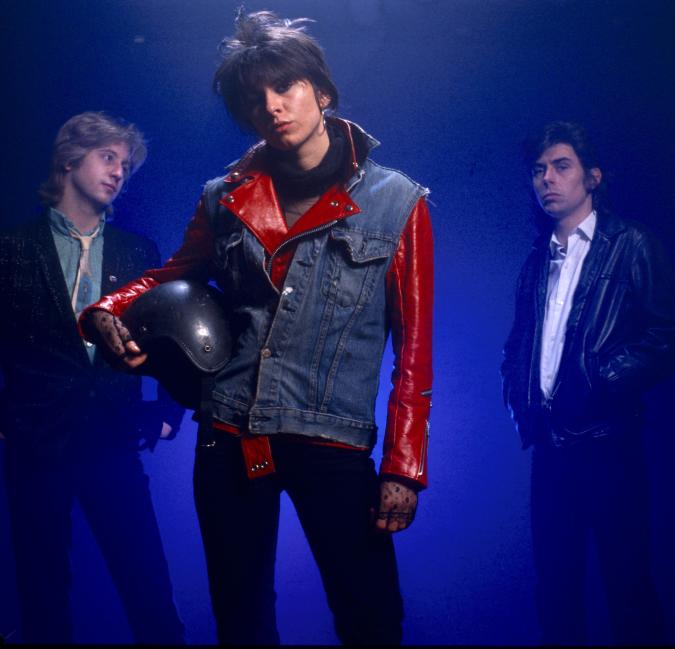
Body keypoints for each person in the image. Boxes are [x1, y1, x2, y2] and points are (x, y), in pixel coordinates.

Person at [81, 10, 433, 645]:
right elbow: (175, 273)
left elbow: (415, 347)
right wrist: (106, 309)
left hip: (332, 437)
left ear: (320, 91)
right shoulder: (225, 195)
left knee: (371, 617)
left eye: (285, 87)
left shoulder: (396, 201)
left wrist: (404, 466)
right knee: (240, 616)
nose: (272, 106)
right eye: (255, 99)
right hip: (230, 429)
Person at [0, 111, 185, 643]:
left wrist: (169, 412)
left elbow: (167, 337)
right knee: (42, 595)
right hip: (37, 445)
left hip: (113, 440)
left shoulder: (136, 251)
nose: (119, 172)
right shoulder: (12, 249)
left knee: (149, 588)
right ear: (69, 159)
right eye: (108, 158)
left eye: (125, 164)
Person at [501, 121, 675, 645]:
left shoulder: (630, 245)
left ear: (593, 177)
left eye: (561, 167)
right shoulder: (537, 259)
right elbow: (517, 345)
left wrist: (602, 380)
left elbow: (671, 335)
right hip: (552, 451)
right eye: (538, 170)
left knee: (628, 587)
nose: (546, 180)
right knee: (556, 590)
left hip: (611, 448)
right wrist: (521, 398)